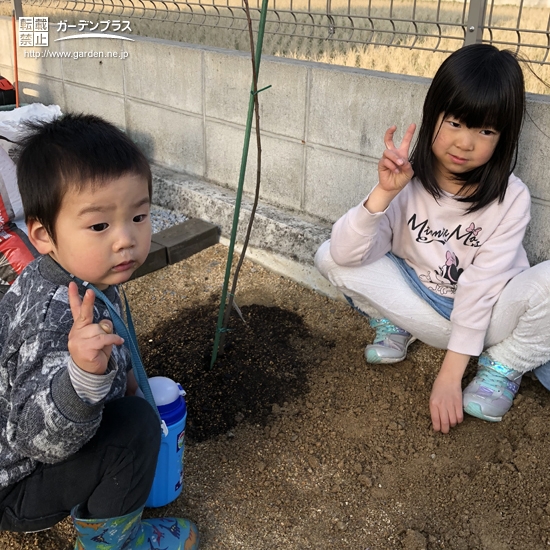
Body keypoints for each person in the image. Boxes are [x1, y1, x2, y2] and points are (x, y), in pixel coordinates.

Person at [315, 43, 550, 434]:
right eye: (455, 122)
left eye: (485, 130)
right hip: (420, 305)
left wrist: (449, 377)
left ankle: (502, 365)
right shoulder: (409, 181)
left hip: (489, 319)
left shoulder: (511, 197)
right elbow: (346, 253)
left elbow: (481, 286)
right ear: (432, 114)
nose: (465, 142)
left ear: (504, 137)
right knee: (330, 254)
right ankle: (395, 325)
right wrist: (383, 193)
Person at [0, 113, 199, 549]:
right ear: (42, 234)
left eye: (139, 215)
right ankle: (113, 542)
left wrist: (120, 380)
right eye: (99, 225)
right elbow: (36, 441)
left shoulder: (79, 277)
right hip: (18, 482)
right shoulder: (55, 320)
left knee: (132, 408)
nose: (125, 239)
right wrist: (84, 377)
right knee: (135, 430)